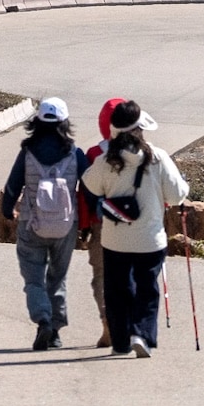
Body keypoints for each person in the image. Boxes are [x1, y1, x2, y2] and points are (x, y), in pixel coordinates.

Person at [80, 99, 188, 358]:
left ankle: (120, 342)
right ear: (139, 128)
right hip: (150, 240)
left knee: (117, 291)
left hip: (115, 240)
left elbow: (90, 185)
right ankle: (142, 334)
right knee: (147, 290)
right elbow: (176, 195)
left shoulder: (107, 160)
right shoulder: (157, 157)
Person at [2, 97, 90, 350]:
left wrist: (7, 210)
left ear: (38, 121)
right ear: (64, 122)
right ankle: (56, 331)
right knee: (58, 277)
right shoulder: (75, 154)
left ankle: (43, 319)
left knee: (33, 280)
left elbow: (12, 186)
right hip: (65, 225)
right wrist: (89, 221)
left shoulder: (27, 153)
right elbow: (90, 187)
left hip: (32, 224)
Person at [79, 97, 126, 348]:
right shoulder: (140, 152)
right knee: (127, 274)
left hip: (100, 224)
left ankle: (107, 322)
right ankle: (127, 323)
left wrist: (84, 225)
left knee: (101, 276)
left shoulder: (94, 154)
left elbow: (86, 194)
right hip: (132, 225)